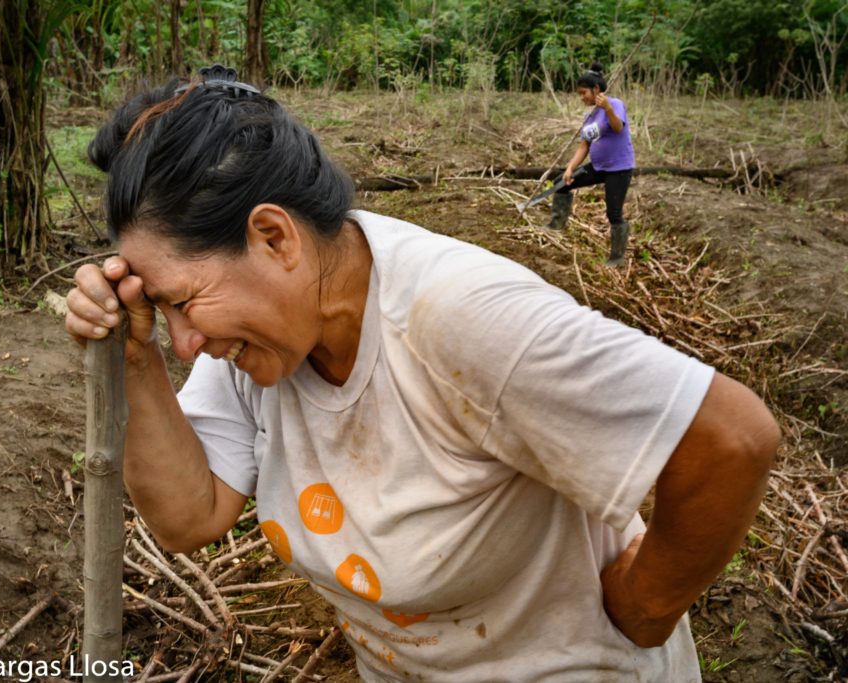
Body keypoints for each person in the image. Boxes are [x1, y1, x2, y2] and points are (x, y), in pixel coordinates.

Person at [66, 65, 780, 682]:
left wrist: (644, 606)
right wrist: (136, 358)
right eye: (165, 311)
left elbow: (731, 438)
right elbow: (192, 515)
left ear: (274, 236)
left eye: (183, 303)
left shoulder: (459, 318)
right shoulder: (258, 344)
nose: (185, 340)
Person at [546, 62, 636, 268]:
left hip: (618, 169)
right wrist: (569, 169)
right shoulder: (590, 116)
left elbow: (618, 127)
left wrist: (608, 109)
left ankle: (617, 258)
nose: (582, 97)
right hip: (598, 166)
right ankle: (556, 224)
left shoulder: (615, 104)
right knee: (561, 182)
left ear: (596, 89)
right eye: (580, 93)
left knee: (613, 212)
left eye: (583, 92)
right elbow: (584, 146)